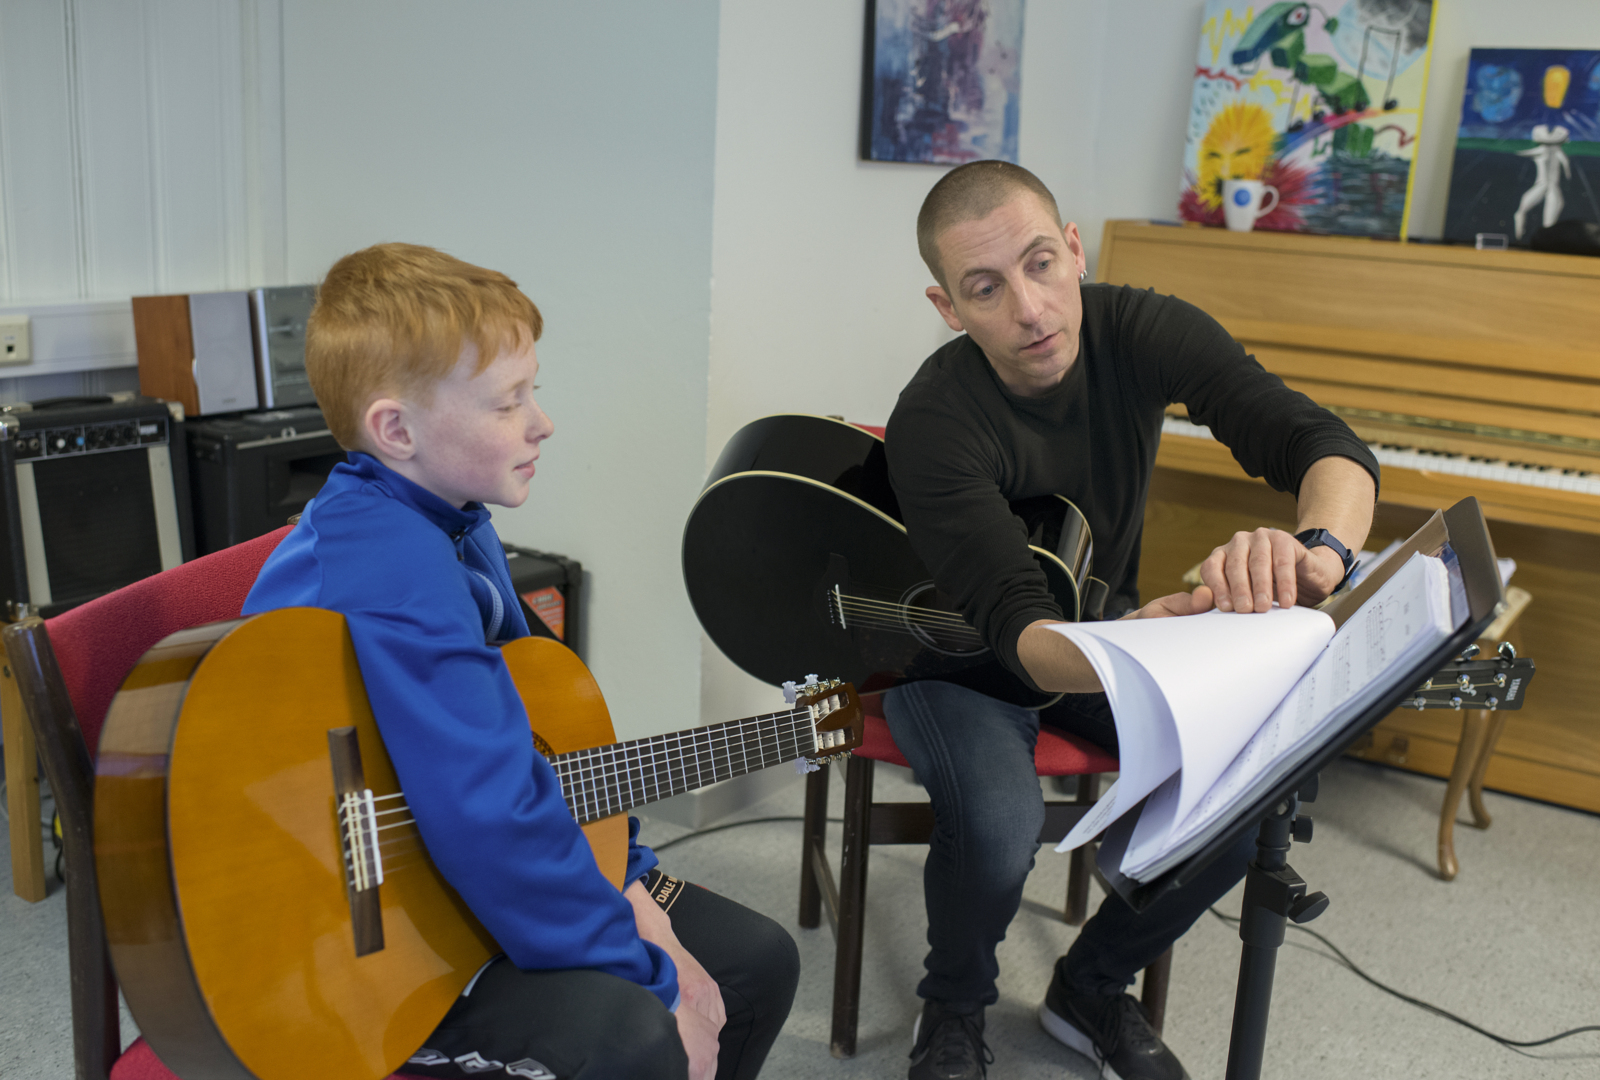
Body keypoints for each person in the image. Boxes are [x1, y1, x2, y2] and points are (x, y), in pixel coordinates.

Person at [243, 243, 798, 1080]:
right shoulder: (393, 563)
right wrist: (653, 973)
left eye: (532, 391)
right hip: (347, 944)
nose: (541, 421)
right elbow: (489, 812)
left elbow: (549, 749)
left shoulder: (452, 519)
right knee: (640, 1031)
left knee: (757, 959)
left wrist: (632, 883)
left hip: (459, 867)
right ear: (397, 429)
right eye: (509, 401)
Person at [881, 161, 1379, 1080]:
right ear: (948, 307)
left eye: (1041, 264)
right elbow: (1022, 640)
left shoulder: (1142, 327)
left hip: (1109, 633)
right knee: (997, 823)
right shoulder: (934, 420)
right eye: (986, 289)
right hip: (963, 663)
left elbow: (1323, 443)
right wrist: (1150, 637)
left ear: (1074, 251)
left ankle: (1090, 987)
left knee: (1261, 780)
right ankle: (952, 1007)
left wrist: (1320, 559)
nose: (1030, 310)